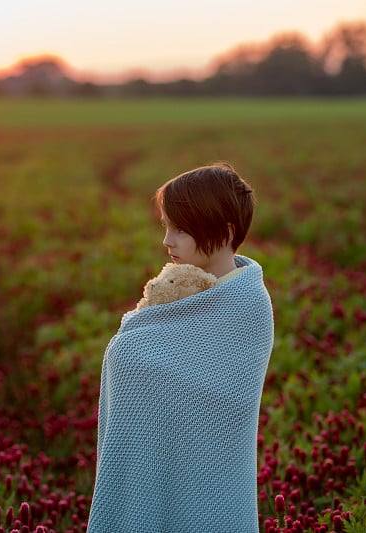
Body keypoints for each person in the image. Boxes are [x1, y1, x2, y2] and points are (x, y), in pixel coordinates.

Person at [87, 162, 275, 532]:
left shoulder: (246, 303)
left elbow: (219, 398)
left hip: (215, 481)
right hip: (156, 466)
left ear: (224, 232)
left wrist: (132, 352)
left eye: (182, 230)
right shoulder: (178, 288)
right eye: (166, 226)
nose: (167, 241)